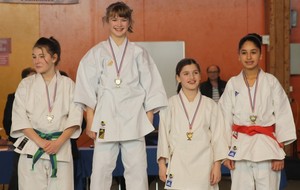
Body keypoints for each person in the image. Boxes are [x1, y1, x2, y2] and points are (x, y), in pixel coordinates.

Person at [74, 2, 168, 190]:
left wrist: (148, 116)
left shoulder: (139, 53)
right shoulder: (96, 53)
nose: (119, 24)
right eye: (114, 19)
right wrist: (90, 118)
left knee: (137, 170)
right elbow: (87, 86)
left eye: (123, 19)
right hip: (105, 118)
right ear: (107, 21)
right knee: (100, 169)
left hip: (133, 118)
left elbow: (152, 86)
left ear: (129, 22)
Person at [218, 33, 297, 190]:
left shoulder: (271, 82)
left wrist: (279, 154)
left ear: (260, 55)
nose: (249, 57)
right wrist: (224, 153)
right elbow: (223, 118)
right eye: (244, 52)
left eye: (253, 52)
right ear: (238, 56)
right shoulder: (233, 84)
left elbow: (283, 115)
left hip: (267, 147)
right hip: (240, 147)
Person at [10, 37, 83, 190]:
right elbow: (20, 118)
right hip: (32, 147)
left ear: (54, 57)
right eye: (34, 56)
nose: (37, 61)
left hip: (60, 148)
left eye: (42, 56)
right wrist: (41, 142)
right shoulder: (25, 85)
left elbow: (75, 118)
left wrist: (58, 143)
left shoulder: (68, 84)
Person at [157, 58, 228, 190]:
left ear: (200, 76)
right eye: (186, 74)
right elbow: (163, 137)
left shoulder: (210, 105)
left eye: (195, 73)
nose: (191, 77)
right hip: (178, 164)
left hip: (204, 166)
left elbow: (218, 137)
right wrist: (162, 165)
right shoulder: (169, 104)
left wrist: (217, 166)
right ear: (178, 78)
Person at [2, 67, 36, 190]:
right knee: (19, 172)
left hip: (40, 142)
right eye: (30, 78)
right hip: (21, 141)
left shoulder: (41, 96)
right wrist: (15, 139)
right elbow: (7, 121)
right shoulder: (14, 97)